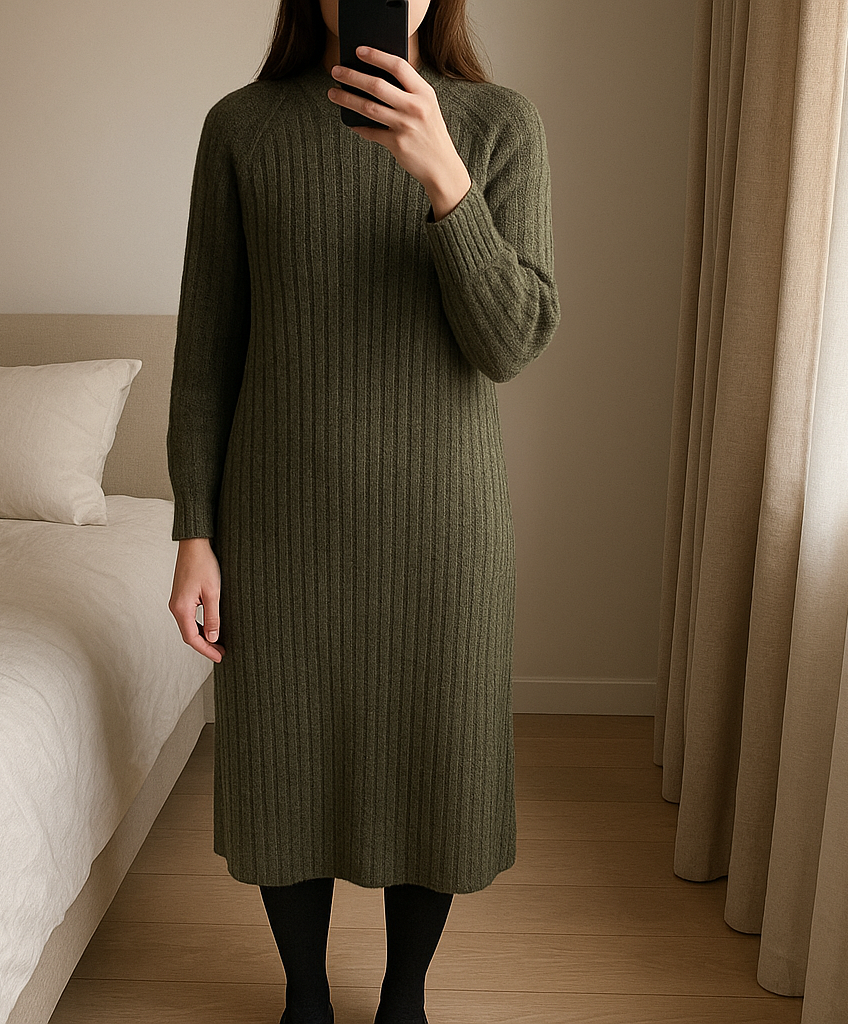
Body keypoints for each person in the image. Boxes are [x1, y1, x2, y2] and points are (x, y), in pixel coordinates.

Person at [166, 0, 559, 1021]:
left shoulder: (499, 125)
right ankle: (304, 994)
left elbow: (509, 342)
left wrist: (445, 179)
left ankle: (404, 993)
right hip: (278, 518)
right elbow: (208, 347)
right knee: (285, 757)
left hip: (443, 522)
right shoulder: (241, 128)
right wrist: (193, 530)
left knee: (433, 753)